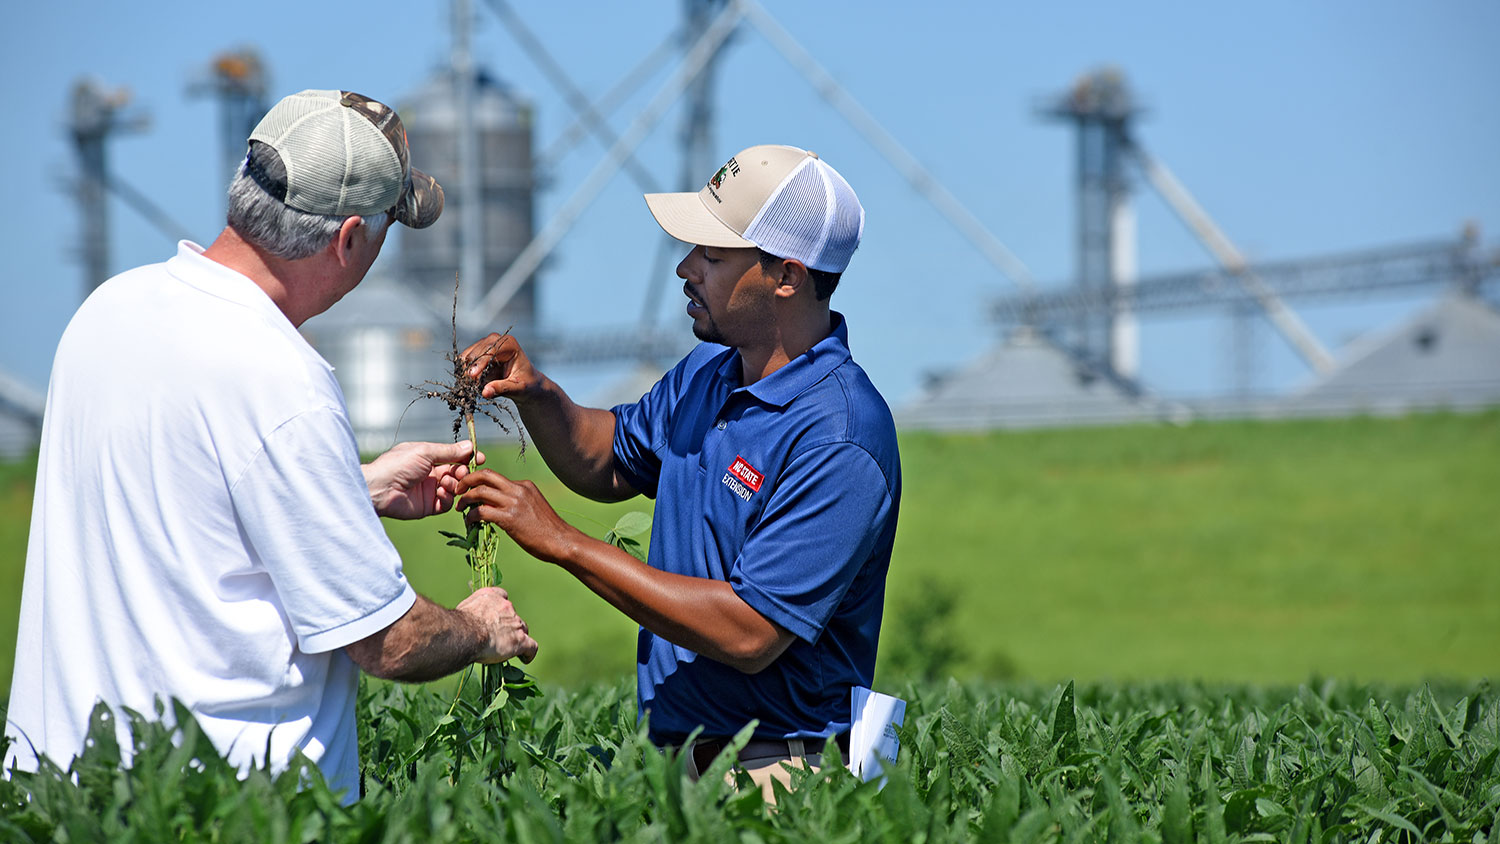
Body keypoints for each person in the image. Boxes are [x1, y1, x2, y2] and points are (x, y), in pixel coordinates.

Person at [3, 89, 537, 801]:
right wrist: (480, 628)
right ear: (349, 239)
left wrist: (355, 489)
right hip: (220, 803)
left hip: (67, 796)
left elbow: (180, 507)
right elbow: (387, 640)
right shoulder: (282, 378)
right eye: (386, 231)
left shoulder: (109, 311)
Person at [455, 144, 900, 798]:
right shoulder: (712, 372)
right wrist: (538, 394)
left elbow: (751, 631)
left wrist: (564, 542)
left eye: (713, 257)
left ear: (787, 276)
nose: (686, 268)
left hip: (777, 776)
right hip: (681, 762)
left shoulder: (839, 436)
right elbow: (609, 460)